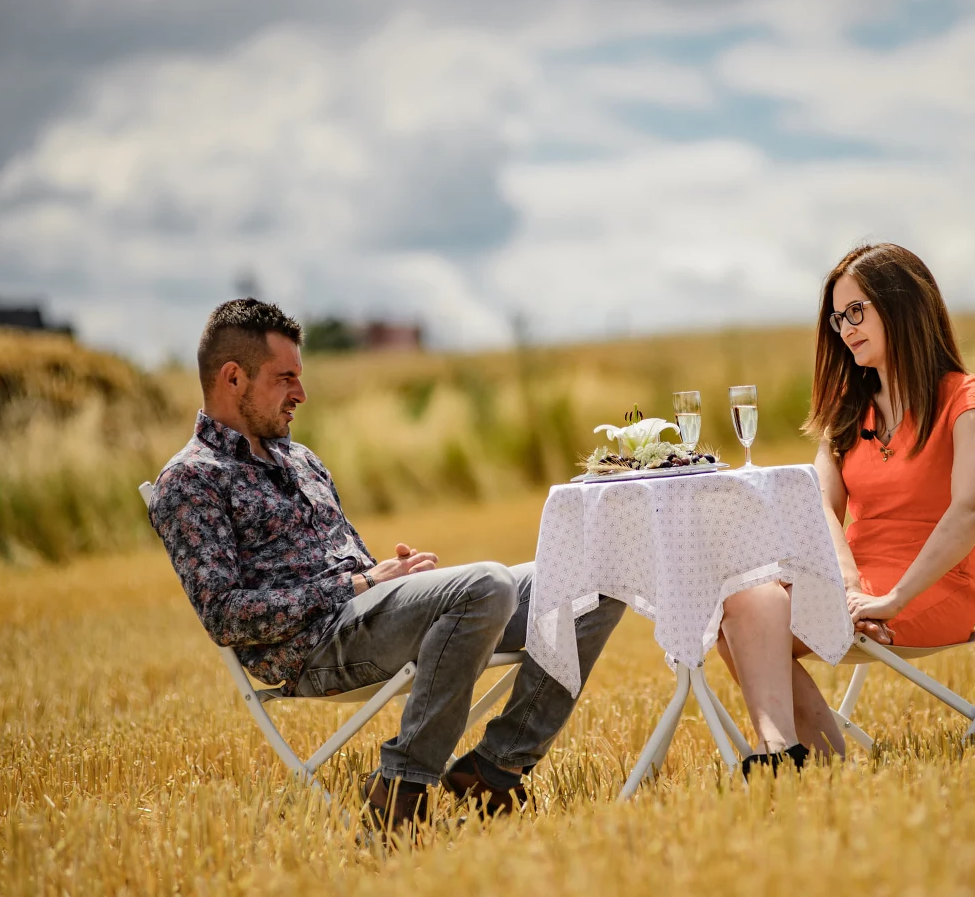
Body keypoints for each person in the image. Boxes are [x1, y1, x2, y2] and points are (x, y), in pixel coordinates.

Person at [148, 299, 625, 837]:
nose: (301, 394)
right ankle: (401, 787)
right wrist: (360, 584)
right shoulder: (191, 481)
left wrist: (392, 576)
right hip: (315, 648)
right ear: (232, 377)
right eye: (286, 379)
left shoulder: (299, 458)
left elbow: (349, 565)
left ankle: (496, 767)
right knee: (488, 584)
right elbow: (226, 617)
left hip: (367, 612)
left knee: (596, 571)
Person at [716, 242, 975, 773]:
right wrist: (851, 589)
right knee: (740, 604)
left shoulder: (966, 400)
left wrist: (892, 598)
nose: (844, 328)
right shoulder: (849, 413)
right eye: (836, 317)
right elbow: (818, 507)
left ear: (901, 306)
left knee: (753, 619)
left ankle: (816, 758)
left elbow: (970, 512)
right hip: (854, 587)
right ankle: (791, 752)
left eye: (857, 311)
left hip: (934, 586)